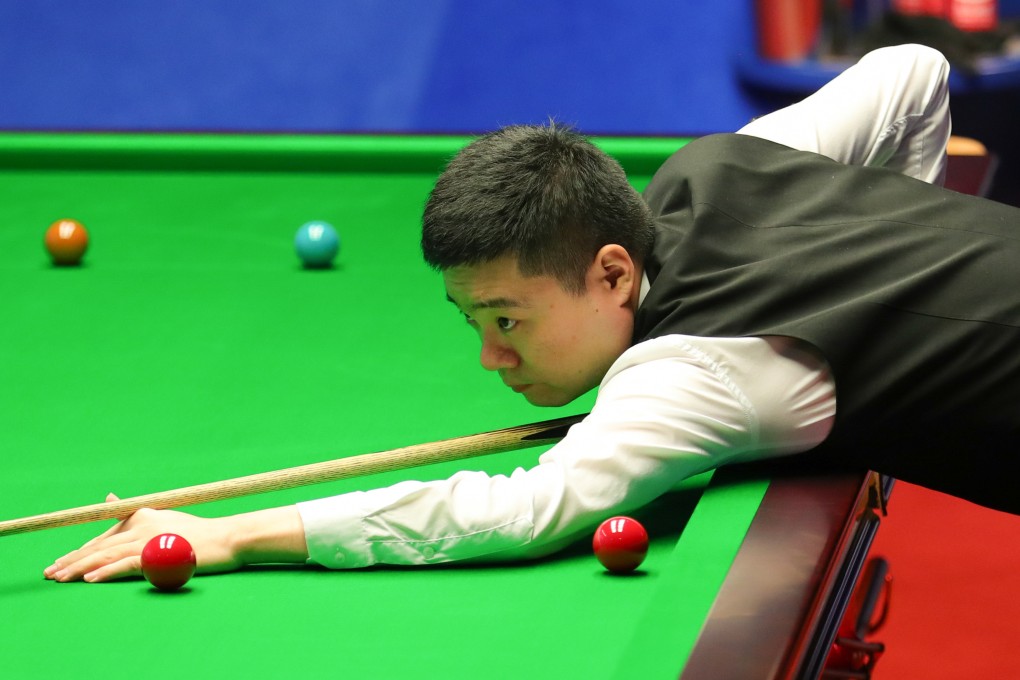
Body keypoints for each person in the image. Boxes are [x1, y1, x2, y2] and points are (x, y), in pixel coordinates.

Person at [44, 44, 1020, 584]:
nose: (487, 356)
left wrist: (236, 534)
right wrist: (889, 233)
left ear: (609, 270)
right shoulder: (717, 164)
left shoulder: (688, 376)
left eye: (507, 320)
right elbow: (914, 71)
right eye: (472, 321)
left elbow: (521, 509)